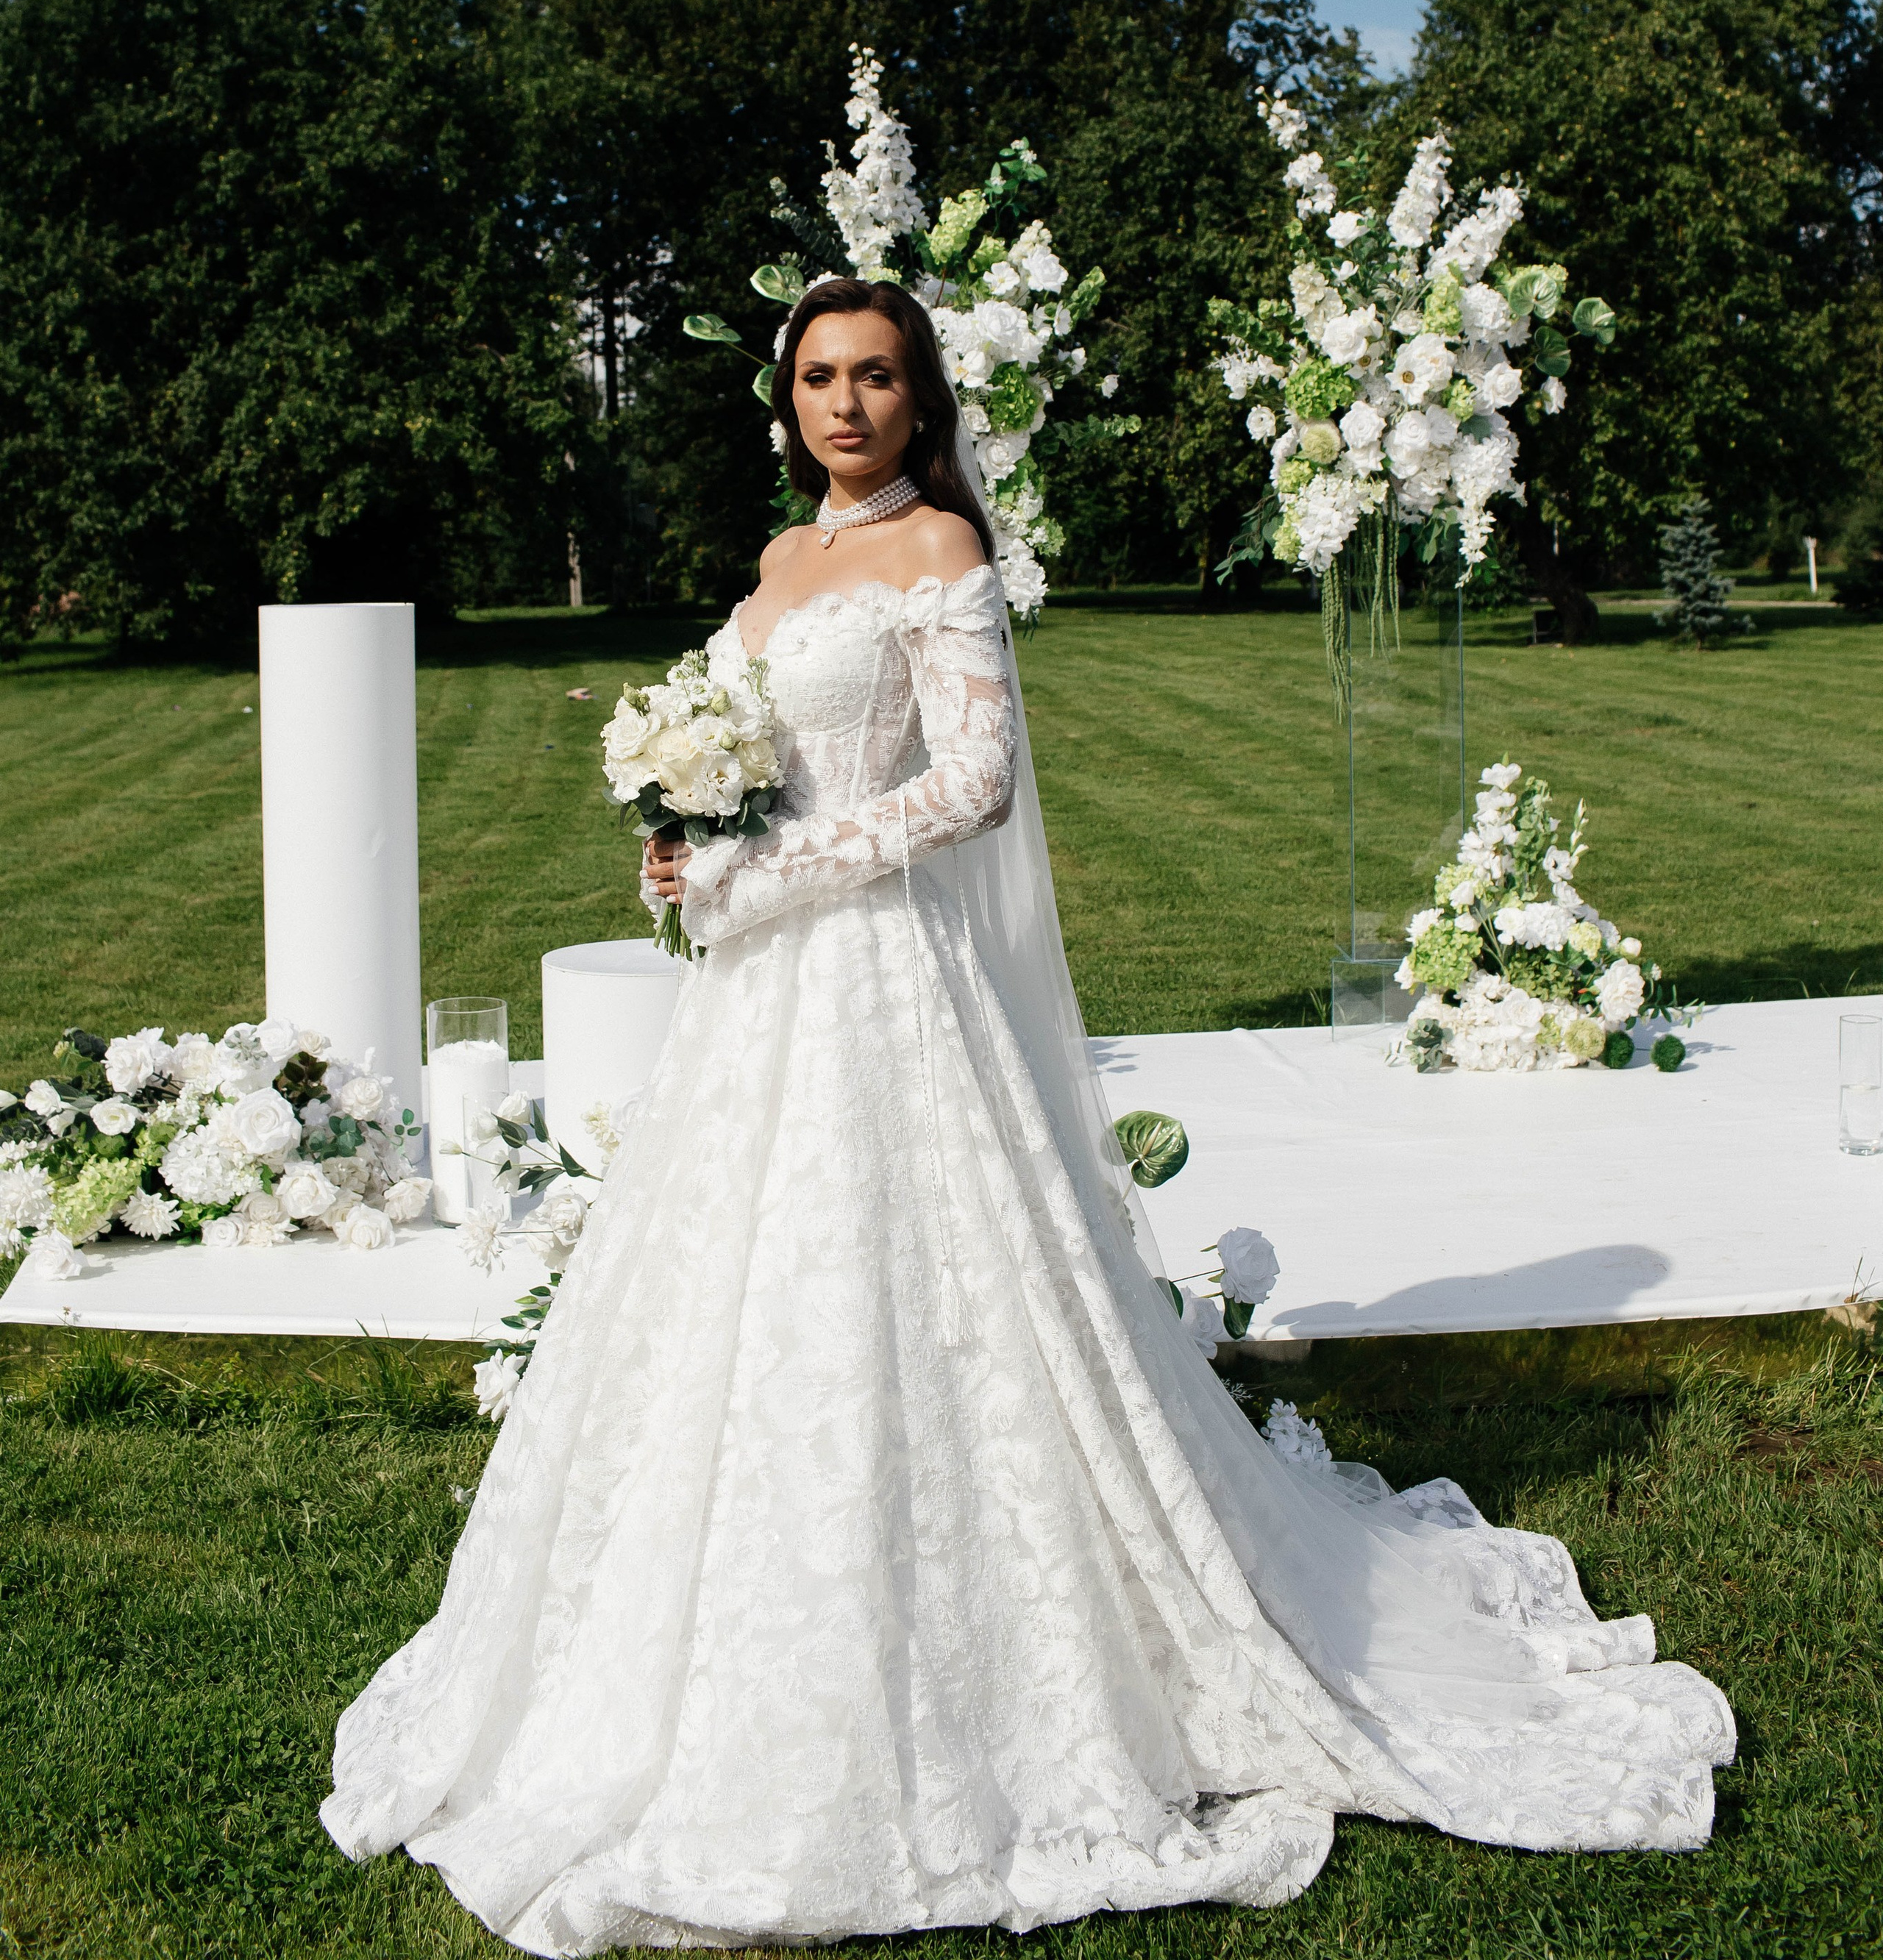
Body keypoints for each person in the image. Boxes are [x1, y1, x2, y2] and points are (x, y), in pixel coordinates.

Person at [322, 277, 1733, 1952]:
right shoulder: (780, 567)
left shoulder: (936, 556)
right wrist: (686, 842)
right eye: (819, 378)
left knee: (927, 1306)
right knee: (728, 1305)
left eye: (877, 378)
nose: (844, 404)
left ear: (920, 402)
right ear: (787, 401)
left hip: (882, 989)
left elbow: (971, 783)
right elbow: (742, 754)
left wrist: (774, 866)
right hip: (753, 998)